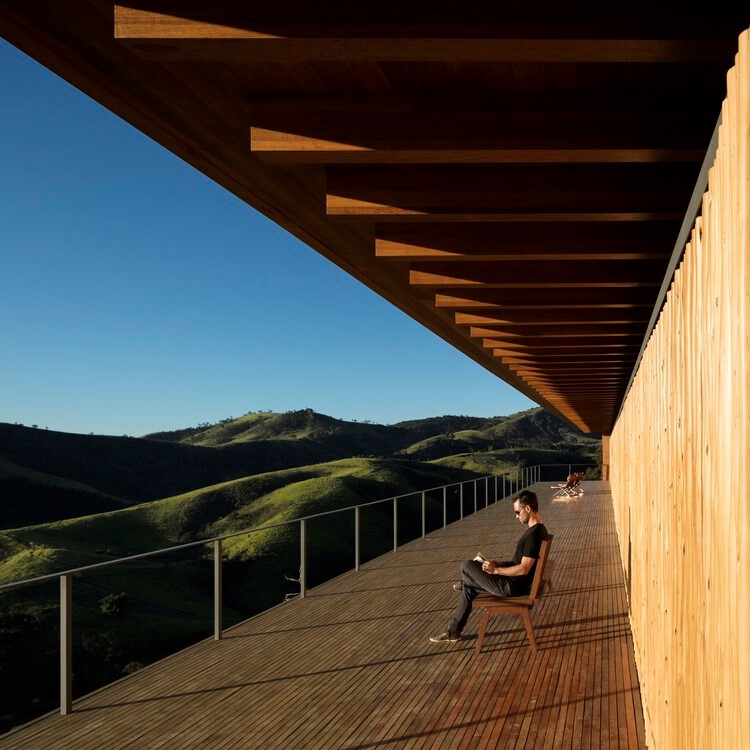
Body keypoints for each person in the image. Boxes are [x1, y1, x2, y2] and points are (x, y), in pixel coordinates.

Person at [430, 489, 549, 643]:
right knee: (470, 588)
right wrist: (498, 564)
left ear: (527, 508)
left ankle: (466, 582)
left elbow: (524, 568)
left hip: (511, 587)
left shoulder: (533, 535)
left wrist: (497, 570)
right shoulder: (539, 529)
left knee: (466, 564)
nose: (516, 516)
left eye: (517, 512)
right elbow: (519, 563)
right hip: (515, 582)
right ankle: (454, 631)